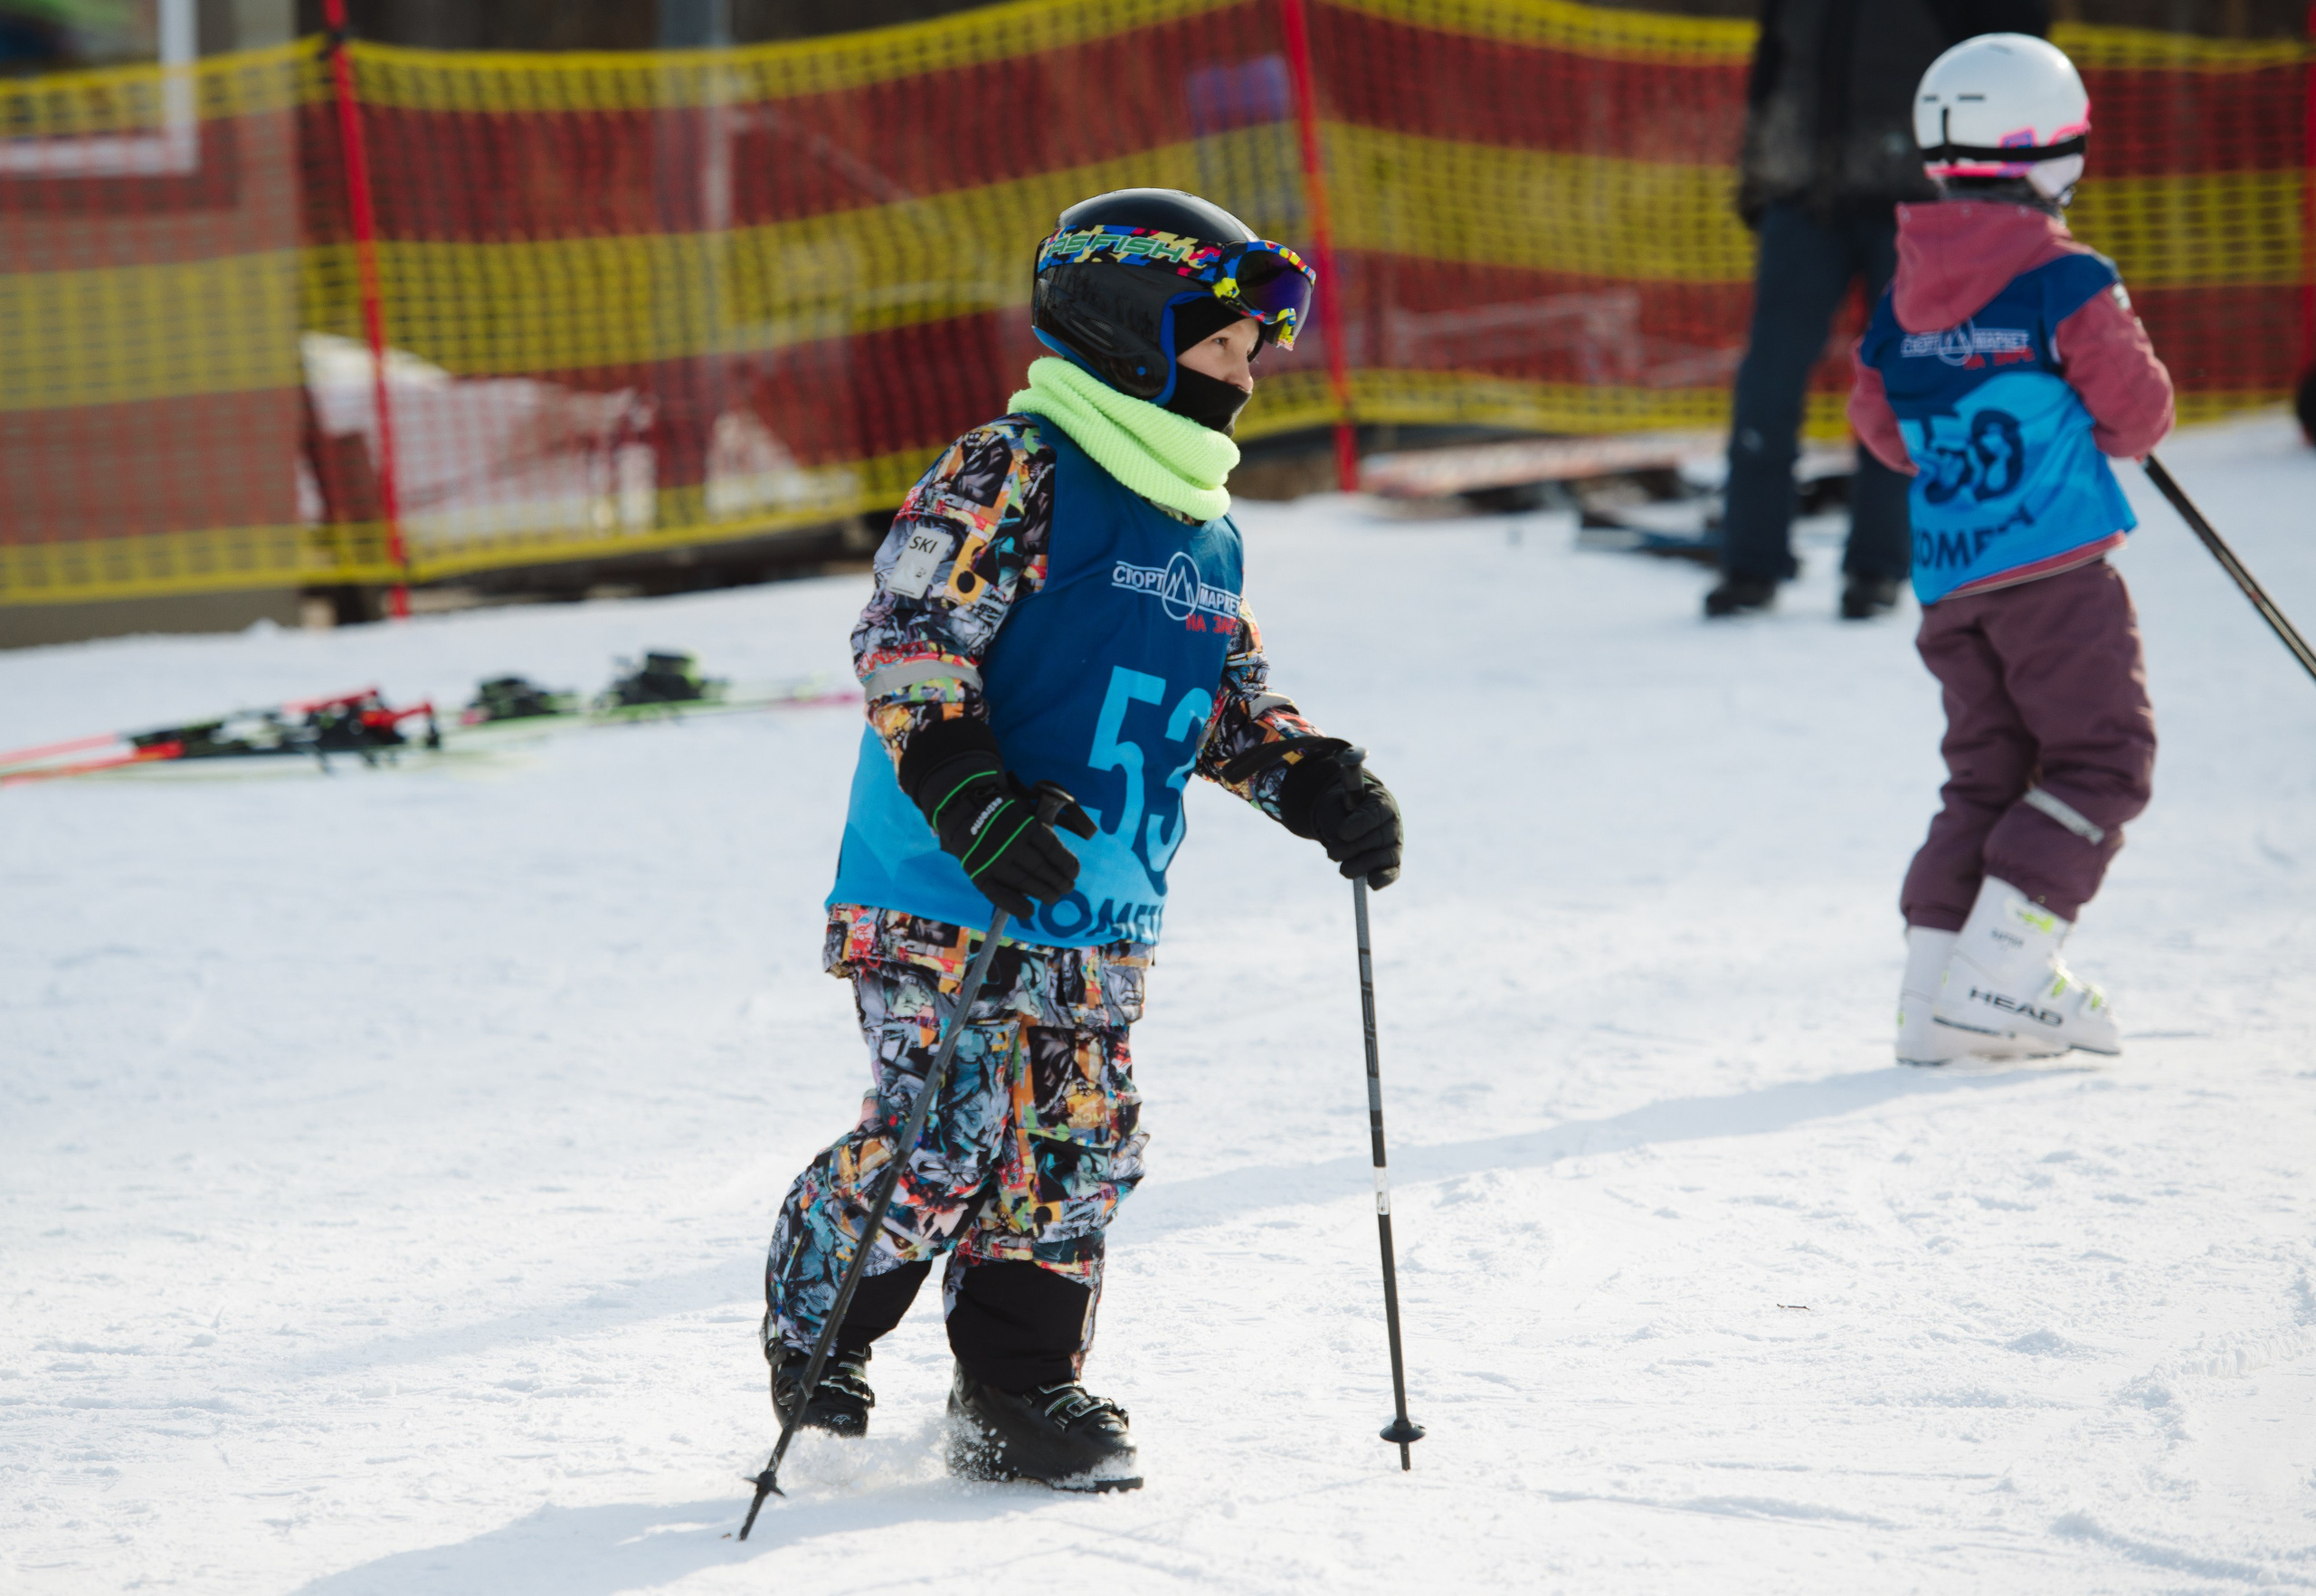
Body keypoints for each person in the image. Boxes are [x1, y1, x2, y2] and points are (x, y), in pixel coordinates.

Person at [759, 189, 1403, 1490]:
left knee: (1073, 1146)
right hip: (946, 879)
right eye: (1220, 345)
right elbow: (909, 637)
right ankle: (822, 1326)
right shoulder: (1017, 467)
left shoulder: (1204, 527)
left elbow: (1225, 706)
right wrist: (969, 793)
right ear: (1128, 330)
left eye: (1252, 352)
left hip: (1098, 904)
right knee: (942, 1137)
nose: (1245, 376)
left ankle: (1018, 1390)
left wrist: (1311, 779)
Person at [1848, 34, 2171, 1064]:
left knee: (1989, 769)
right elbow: (2137, 417)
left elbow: (1882, 429)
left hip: (1954, 581)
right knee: (2101, 760)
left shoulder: (1902, 289)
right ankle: (2003, 969)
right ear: (2056, 153)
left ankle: (1932, 992)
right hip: (2056, 572)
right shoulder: (2063, 277)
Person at [1708, 0, 2052, 620]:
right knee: (1767, 382)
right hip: (1802, 195)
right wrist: (1758, 174)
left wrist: (1996, 192)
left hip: (1920, 199)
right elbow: (1772, 64)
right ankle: (1750, 562)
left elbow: (2015, 58)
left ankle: (1878, 564)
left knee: (1905, 382)